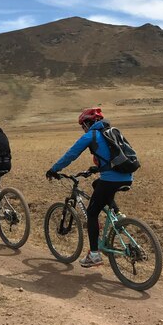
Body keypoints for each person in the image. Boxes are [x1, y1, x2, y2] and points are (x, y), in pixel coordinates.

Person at [46, 108, 132, 268]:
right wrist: (97, 169)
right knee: (96, 184)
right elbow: (114, 156)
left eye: (82, 126)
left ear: (87, 123)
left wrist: (54, 169)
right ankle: (118, 214)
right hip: (127, 176)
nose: (83, 129)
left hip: (111, 179)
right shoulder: (113, 132)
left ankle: (94, 255)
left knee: (92, 214)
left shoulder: (91, 135)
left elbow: (71, 154)